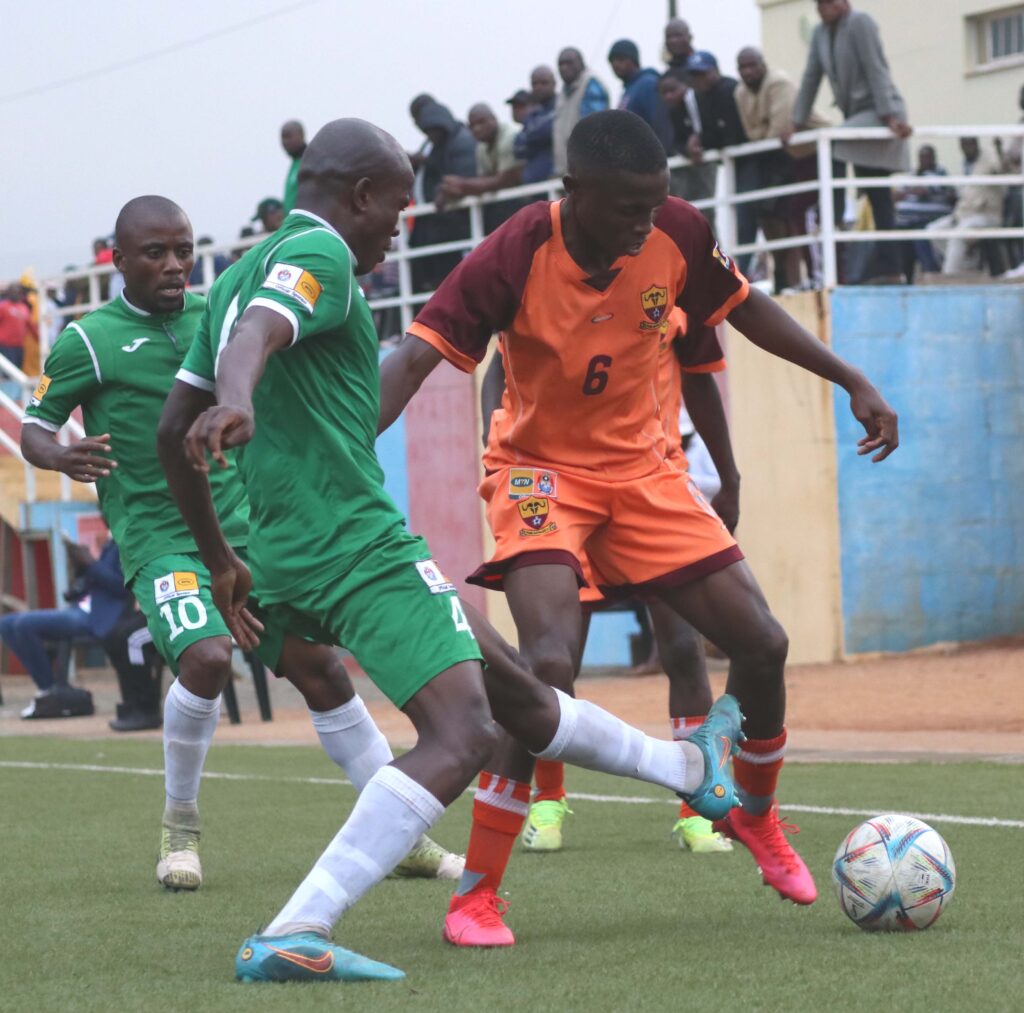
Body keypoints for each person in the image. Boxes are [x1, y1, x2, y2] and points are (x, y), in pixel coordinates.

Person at [173, 117, 742, 981]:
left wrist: (219, 557)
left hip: (279, 551)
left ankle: (688, 766)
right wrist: (244, 394)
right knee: (463, 727)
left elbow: (170, 428)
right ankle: (300, 925)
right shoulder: (317, 257)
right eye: (396, 208)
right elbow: (259, 331)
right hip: (354, 546)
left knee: (511, 683)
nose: (398, 227)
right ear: (358, 196)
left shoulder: (228, 276)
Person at [382, 109, 899, 943]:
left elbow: (746, 309)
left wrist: (849, 377)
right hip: (538, 473)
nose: (645, 222)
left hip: (645, 472)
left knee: (762, 643)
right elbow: (412, 359)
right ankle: (477, 894)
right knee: (548, 662)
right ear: (572, 192)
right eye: (628, 207)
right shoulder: (513, 250)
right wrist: (332, 457)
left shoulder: (678, 232)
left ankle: (755, 816)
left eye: (655, 204)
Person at [22, 194, 461, 893]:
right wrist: (58, 455)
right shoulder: (87, 339)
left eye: (183, 250)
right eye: (155, 253)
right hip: (162, 542)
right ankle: (181, 828)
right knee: (205, 655)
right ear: (118, 258)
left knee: (323, 669)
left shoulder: (212, 318)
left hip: (247, 534)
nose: (174, 266)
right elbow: (34, 424)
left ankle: (403, 834)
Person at [482, 308, 739, 856]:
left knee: (683, 649)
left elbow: (699, 380)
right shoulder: (560, 293)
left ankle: (696, 811)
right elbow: (497, 373)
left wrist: (726, 472)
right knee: (554, 661)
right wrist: (497, 451)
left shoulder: (669, 292)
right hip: (562, 491)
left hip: (649, 484)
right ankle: (548, 804)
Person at [789, 0, 912, 283]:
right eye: (819, 4)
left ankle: (832, 213)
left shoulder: (860, 23)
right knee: (876, 195)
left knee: (837, 147)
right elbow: (811, 77)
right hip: (855, 117)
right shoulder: (821, 33)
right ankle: (890, 268)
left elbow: (876, 68)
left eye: (830, 2)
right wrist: (796, 120)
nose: (824, 8)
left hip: (879, 112)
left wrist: (889, 116)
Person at [0, 536, 156, 723]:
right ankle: (52, 687)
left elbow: (122, 586)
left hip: (97, 617)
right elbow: (90, 581)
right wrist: (80, 565)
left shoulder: (125, 542)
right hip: (80, 607)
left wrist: (90, 562)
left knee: (23, 625)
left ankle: (49, 690)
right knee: (6, 624)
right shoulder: (110, 543)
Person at [735, 46, 823, 291]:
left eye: (753, 65)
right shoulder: (740, 91)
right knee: (774, 217)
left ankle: (818, 277)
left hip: (815, 153)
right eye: (743, 67)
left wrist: (766, 130)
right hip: (785, 159)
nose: (748, 71)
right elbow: (753, 133)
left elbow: (778, 129)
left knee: (806, 214)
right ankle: (792, 279)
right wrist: (767, 129)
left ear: (764, 64)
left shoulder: (779, 82)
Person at [685, 51, 755, 271]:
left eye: (703, 74)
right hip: (736, 163)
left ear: (714, 71)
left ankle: (744, 268)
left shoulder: (729, 89)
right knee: (742, 215)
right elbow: (714, 134)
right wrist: (699, 140)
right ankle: (741, 268)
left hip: (752, 160)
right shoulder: (699, 96)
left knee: (751, 215)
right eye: (695, 75)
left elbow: (732, 134)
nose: (699, 79)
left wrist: (706, 140)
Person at [409, 98, 478, 291]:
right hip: (431, 227)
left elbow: (462, 179)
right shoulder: (435, 144)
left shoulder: (461, 141)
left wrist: (443, 192)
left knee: (451, 282)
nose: (429, 135)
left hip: (450, 226)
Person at [926, 137, 1006, 276]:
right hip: (964, 214)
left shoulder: (989, 157)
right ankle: (966, 266)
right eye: (963, 145)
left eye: (969, 144)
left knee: (958, 234)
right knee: (933, 230)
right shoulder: (966, 164)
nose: (966, 148)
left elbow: (1002, 168)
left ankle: (949, 275)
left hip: (986, 215)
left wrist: (999, 150)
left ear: (976, 144)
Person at [439, 103, 524, 233]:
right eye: (472, 125)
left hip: (529, 196)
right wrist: (453, 190)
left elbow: (506, 180)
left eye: (481, 122)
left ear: (494, 119)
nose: (477, 129)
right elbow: (485, 179)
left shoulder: (510, 135)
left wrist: (462, 186)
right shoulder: (481, 146)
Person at [894, 145, 955, 278]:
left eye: (928, 157)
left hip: (928, 218)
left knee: (919, 235)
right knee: (899, 241)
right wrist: (910, 190)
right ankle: (905, 277)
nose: (925, 160)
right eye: (922, 157)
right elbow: (897, 195)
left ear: (934, 158)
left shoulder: (940, 173)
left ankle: (931, 273)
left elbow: (925, 191)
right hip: (906, 220)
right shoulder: (912, 174)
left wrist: (910, 191)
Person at [553, 47, 609, 176]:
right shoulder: (562, 93)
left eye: (569, 63)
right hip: (568, 172)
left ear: (581, 63)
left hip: (589, 169)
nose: (564, 67)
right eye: (561, 64)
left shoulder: (591, 85)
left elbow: (593, 129)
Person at [608, 39, 672, 152]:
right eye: (612, 61)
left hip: (651, 159)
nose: (616, 64)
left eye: (620, 59)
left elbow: (660, 122)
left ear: (633, 60)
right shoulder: (627, 91)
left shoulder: (648, 83)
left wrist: (660, 156)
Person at [513, 65, 558, 184]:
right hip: (533, 185)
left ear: (554, 83)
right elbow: (518, 148)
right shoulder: (533, 115)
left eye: (544, 83)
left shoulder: (561, 107)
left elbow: (548, 132)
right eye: (535, 84)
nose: (539, 87)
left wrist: (534, 135)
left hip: (554, 181)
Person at [0, 283, 36, 371]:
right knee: (7, 373)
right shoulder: (3, 306)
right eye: (13, 291)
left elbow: (31, 326)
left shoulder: (24, 308)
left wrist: (40, 339)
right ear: (9, 293)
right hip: (5, 346)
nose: (15, 293)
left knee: (18, 370)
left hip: (19, 346)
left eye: (18, 292)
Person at [280, 119, 306, 213]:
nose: (285, 142)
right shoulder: (294, 163)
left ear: (301, 135)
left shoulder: (310, 161)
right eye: (283, 138)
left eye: (288, 136)